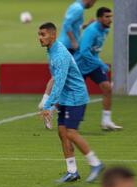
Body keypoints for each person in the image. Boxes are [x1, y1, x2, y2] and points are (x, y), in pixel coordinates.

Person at [38, 22, 104, 183]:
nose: (40, 38)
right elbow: (56, 80)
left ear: (52, 35)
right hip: (66, 97)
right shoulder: (52, 51)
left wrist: (48, 105)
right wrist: (53, 105)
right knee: (62, 133)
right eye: (39, 34)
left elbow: (59, 82)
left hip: (75, 96)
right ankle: (72, 171)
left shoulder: (59, 55)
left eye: (43, 35)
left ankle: (96, 163)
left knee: (71, 132)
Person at [38, 0, 96, 129]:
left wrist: (86, 25)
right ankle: (47, 104)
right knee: (62, 78)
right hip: (68, 45)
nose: (94, 3)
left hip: (62, 45)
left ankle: (49, 105)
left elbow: (75, 27)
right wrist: (74, 42)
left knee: (62, 77)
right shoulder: (78, 9)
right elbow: (67, 25)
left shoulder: (74, 6)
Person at [75, 7, 121, 130]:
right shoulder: (92, 31)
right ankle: (53, 110)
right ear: (100, 18)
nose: (110, 19)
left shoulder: (105, 30)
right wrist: (100, 64)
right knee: (79, 94)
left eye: (110, 16)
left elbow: (93, 50)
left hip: (92, 63)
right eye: (107, 17)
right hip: (80, 65)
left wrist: (98, 62)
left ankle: (106, 121)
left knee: (107, 88)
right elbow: (84, 52)